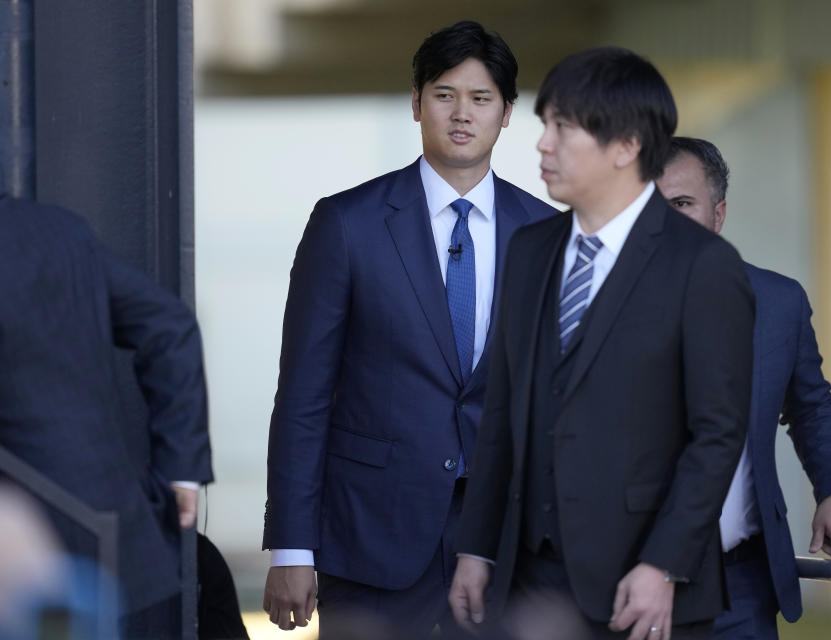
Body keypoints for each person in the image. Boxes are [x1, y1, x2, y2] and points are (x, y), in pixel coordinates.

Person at [261, 20, 557, 637]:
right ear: (416, 103)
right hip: (371, 536)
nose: (461, 114)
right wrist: (292, 546)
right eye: (444, 94)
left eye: (481, 99)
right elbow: (304, 394)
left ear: (506, 114)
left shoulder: (545, 234)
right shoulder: (347, 223)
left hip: (503, 545)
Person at [449, 48, 755, 640]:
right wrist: (477, 549)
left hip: (643, 585)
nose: (543, 145)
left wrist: (665, 563)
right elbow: (502, 417)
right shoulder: (530, 250)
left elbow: (717, 435)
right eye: (546, 125)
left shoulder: (703, 266)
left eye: (564, 128)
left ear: (625, 147)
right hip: (529, 579)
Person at [656, 137, 831, 640]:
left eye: (682, 204)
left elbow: (811, 406)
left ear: (717, 214)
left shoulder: (778, 302)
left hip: (742, 583)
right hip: (629, 576)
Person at [0, 194, 213, 639]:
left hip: (25, 565)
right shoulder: (60, 230)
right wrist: (180, 469)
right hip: (121, 549)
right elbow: (169, 326)